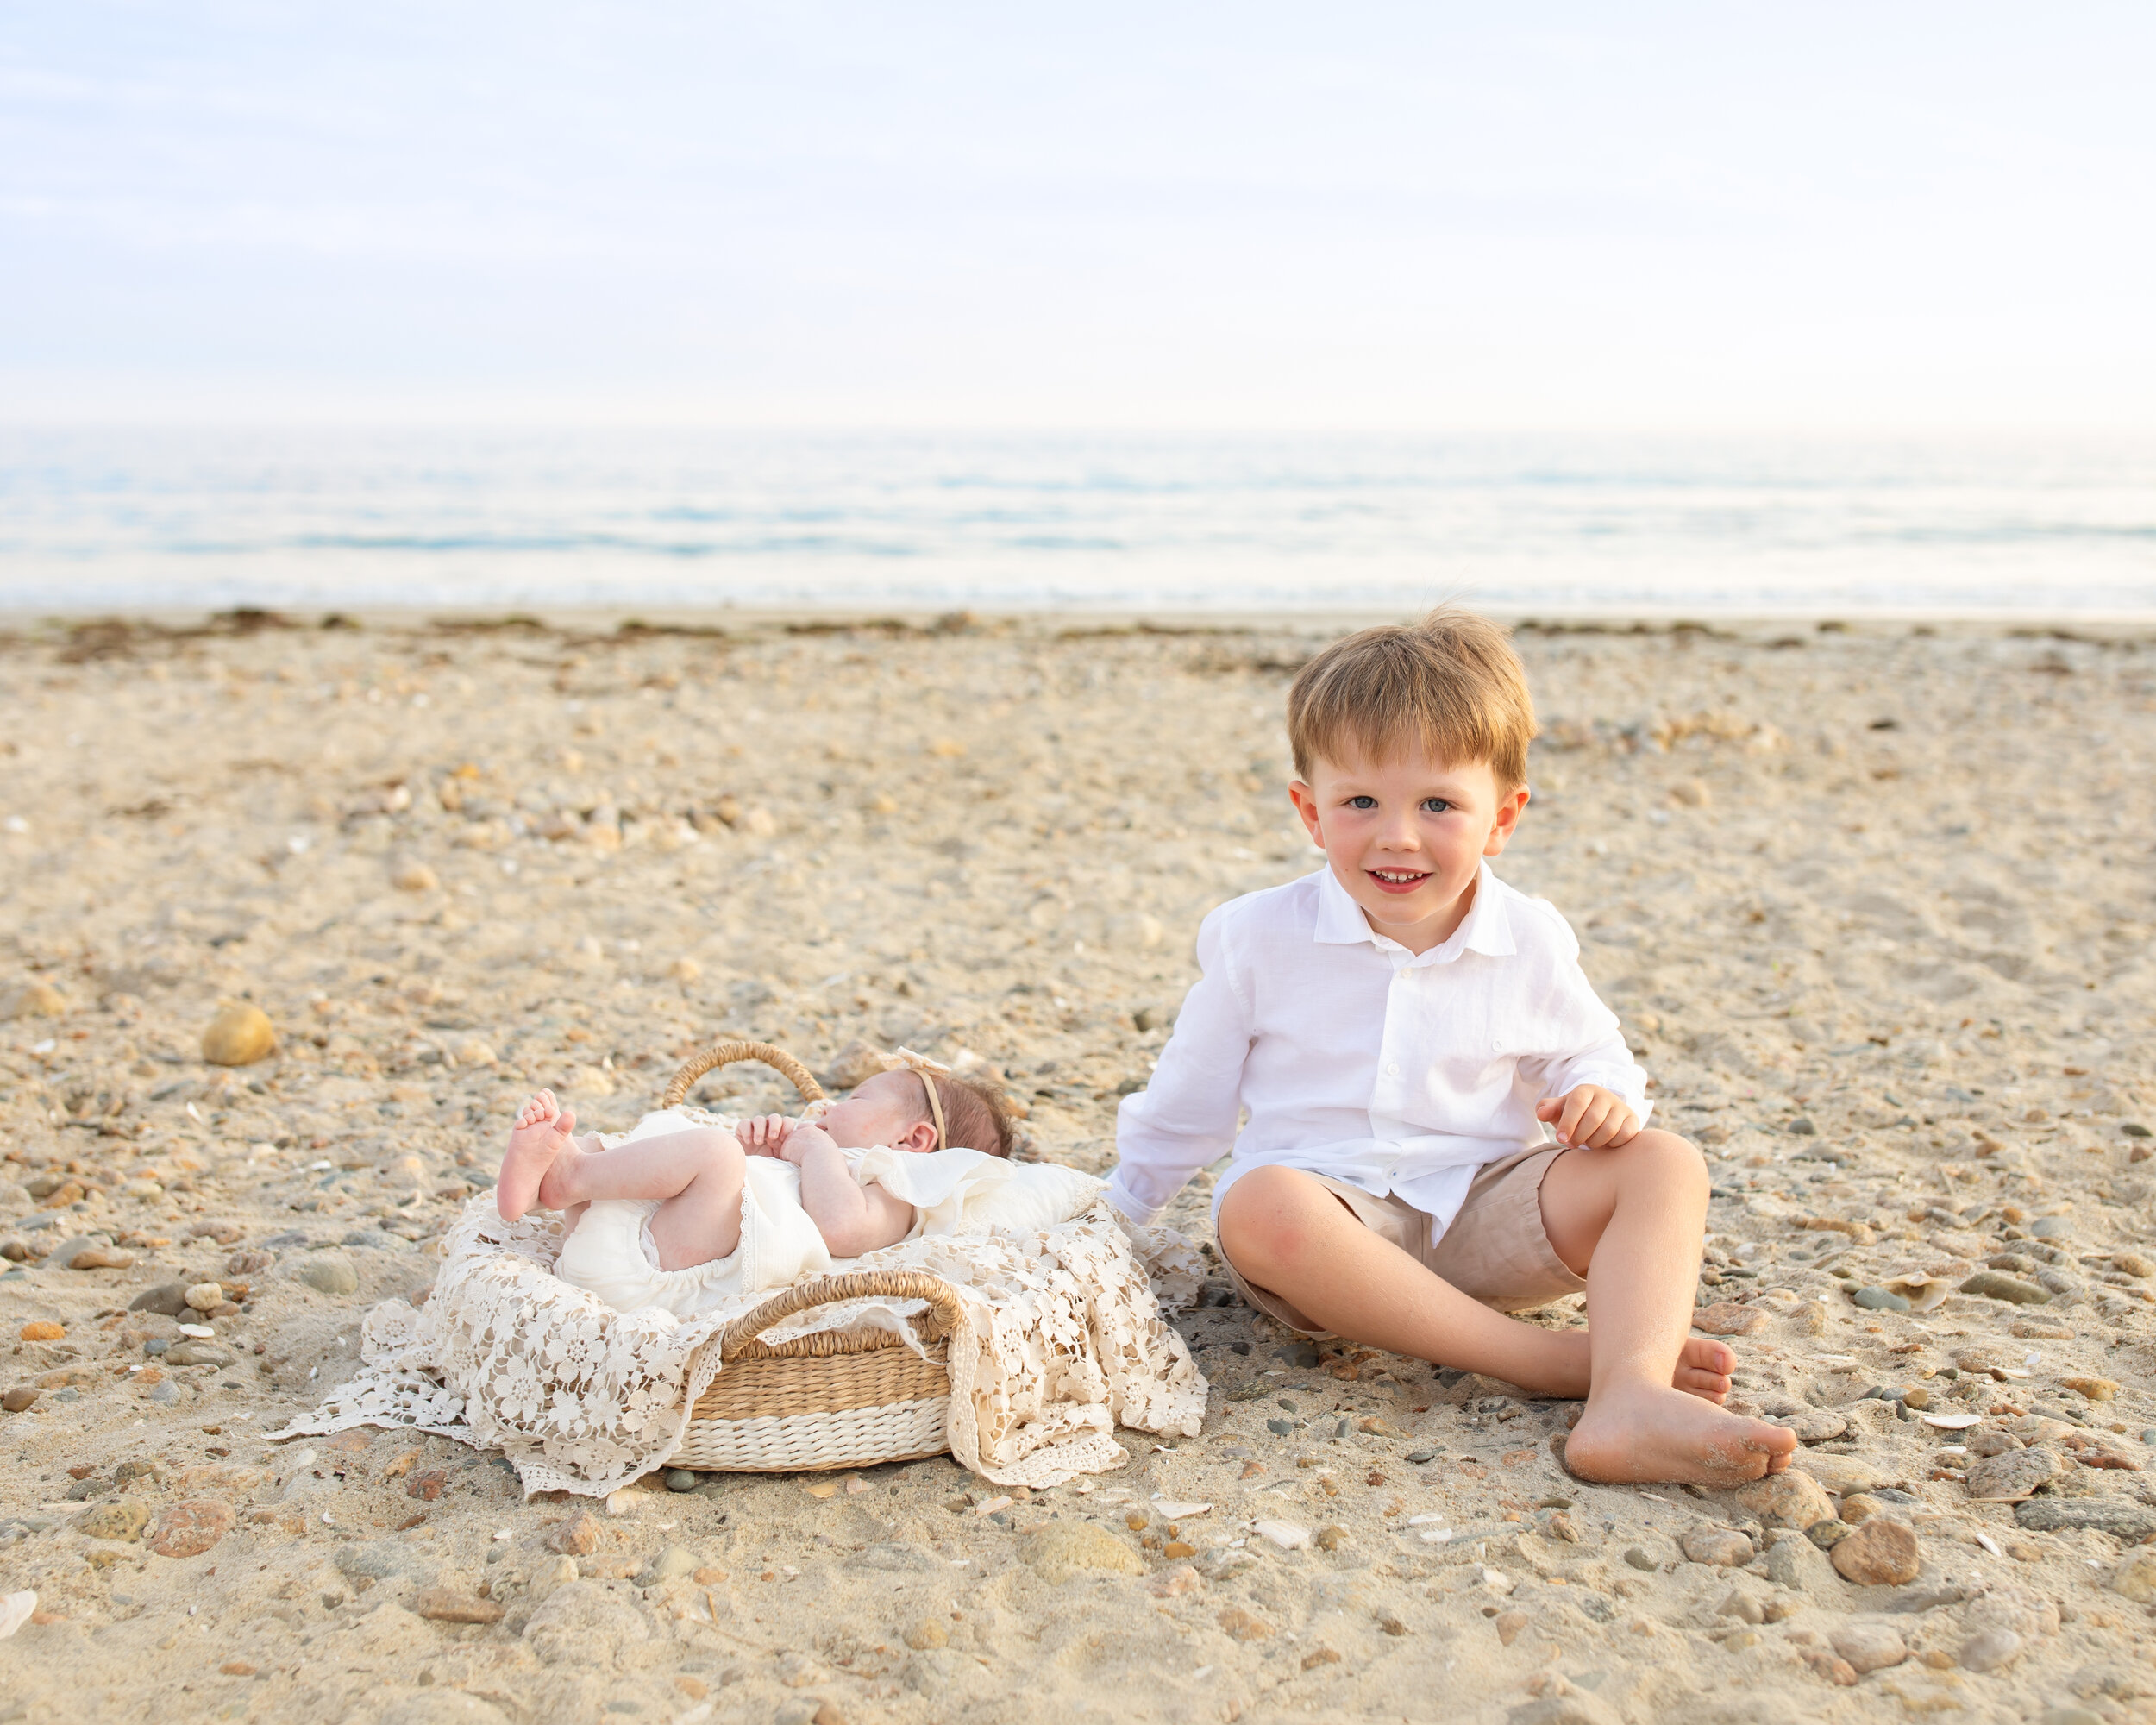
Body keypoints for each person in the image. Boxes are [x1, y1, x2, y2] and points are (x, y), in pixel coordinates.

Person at [1105, 609, 1799, 1485]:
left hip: (1483, 1213)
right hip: (1332, 1232)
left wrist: (1601, 1094)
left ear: (1501, 818)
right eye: (1360, 801)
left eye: (1437, 803)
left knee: (1664, 1162)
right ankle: (1549, 1362)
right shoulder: (1255, 936)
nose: (1397, 833)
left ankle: (1625, 1396)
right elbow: (1190, 1096)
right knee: (1257, 1202)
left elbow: (1594, 1053)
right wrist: (1120, 1206)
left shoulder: (1529, 935)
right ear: (1309, 812)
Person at [495, 1057, 1021, 1317]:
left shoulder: (899, 1190)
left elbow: (840, 1228)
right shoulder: (840, 1156)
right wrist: (758, 1152)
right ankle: (564, 1170)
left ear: (915, 1140)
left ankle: (569, 1179)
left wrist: (809, 1150)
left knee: (712, 1154)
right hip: (644, 1239)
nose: (831, 1108)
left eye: (855, 1101)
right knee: (685, 1147)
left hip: (660, 1271)